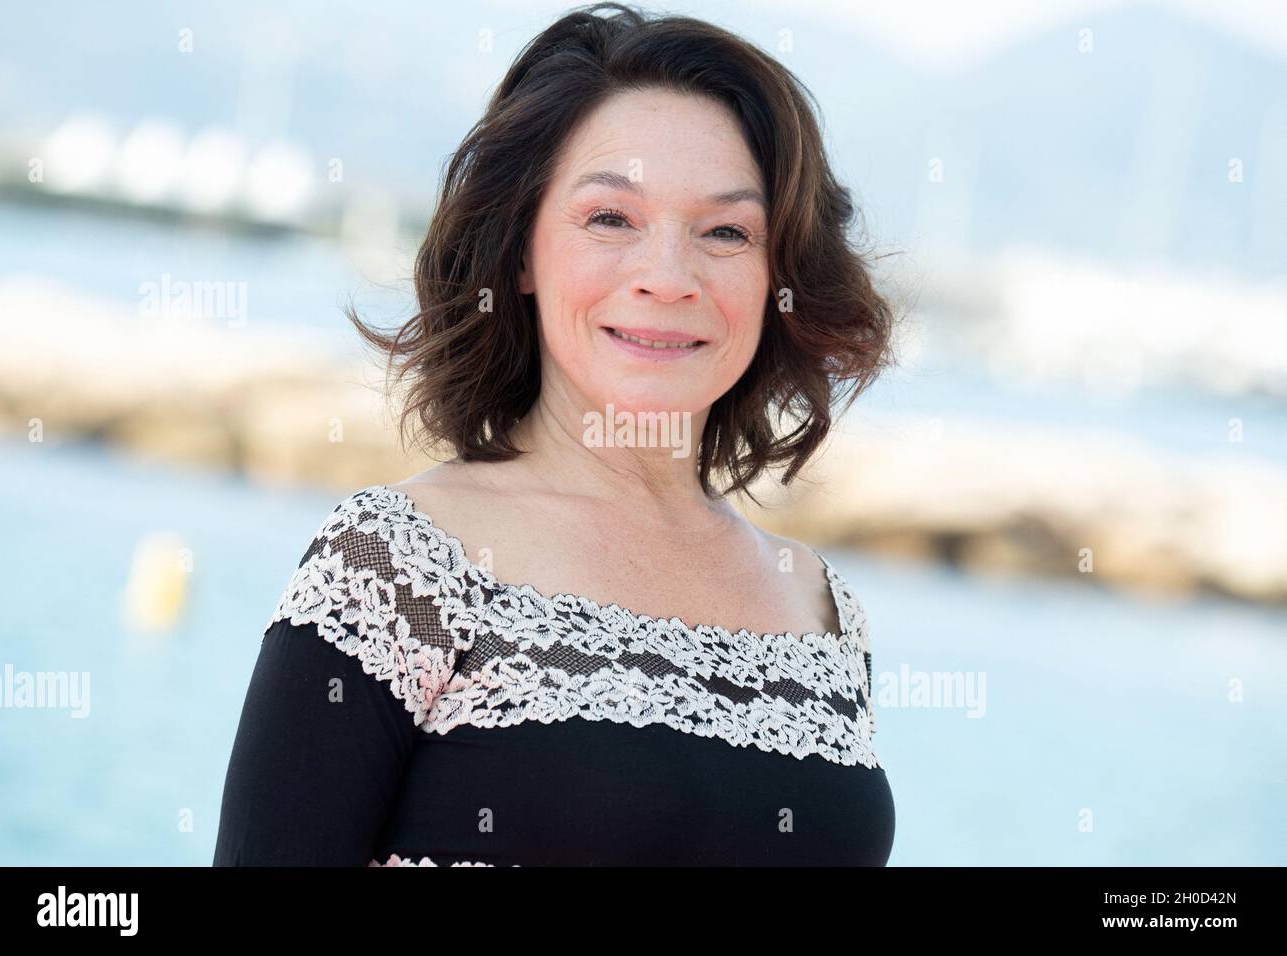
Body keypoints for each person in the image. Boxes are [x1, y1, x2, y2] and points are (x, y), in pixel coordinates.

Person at [213, 1, 898, 867]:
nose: (666, 277)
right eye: (611, 218)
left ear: (779, 276)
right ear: (523, 251)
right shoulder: (396, 568)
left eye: (726, 231)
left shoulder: (825, 610)